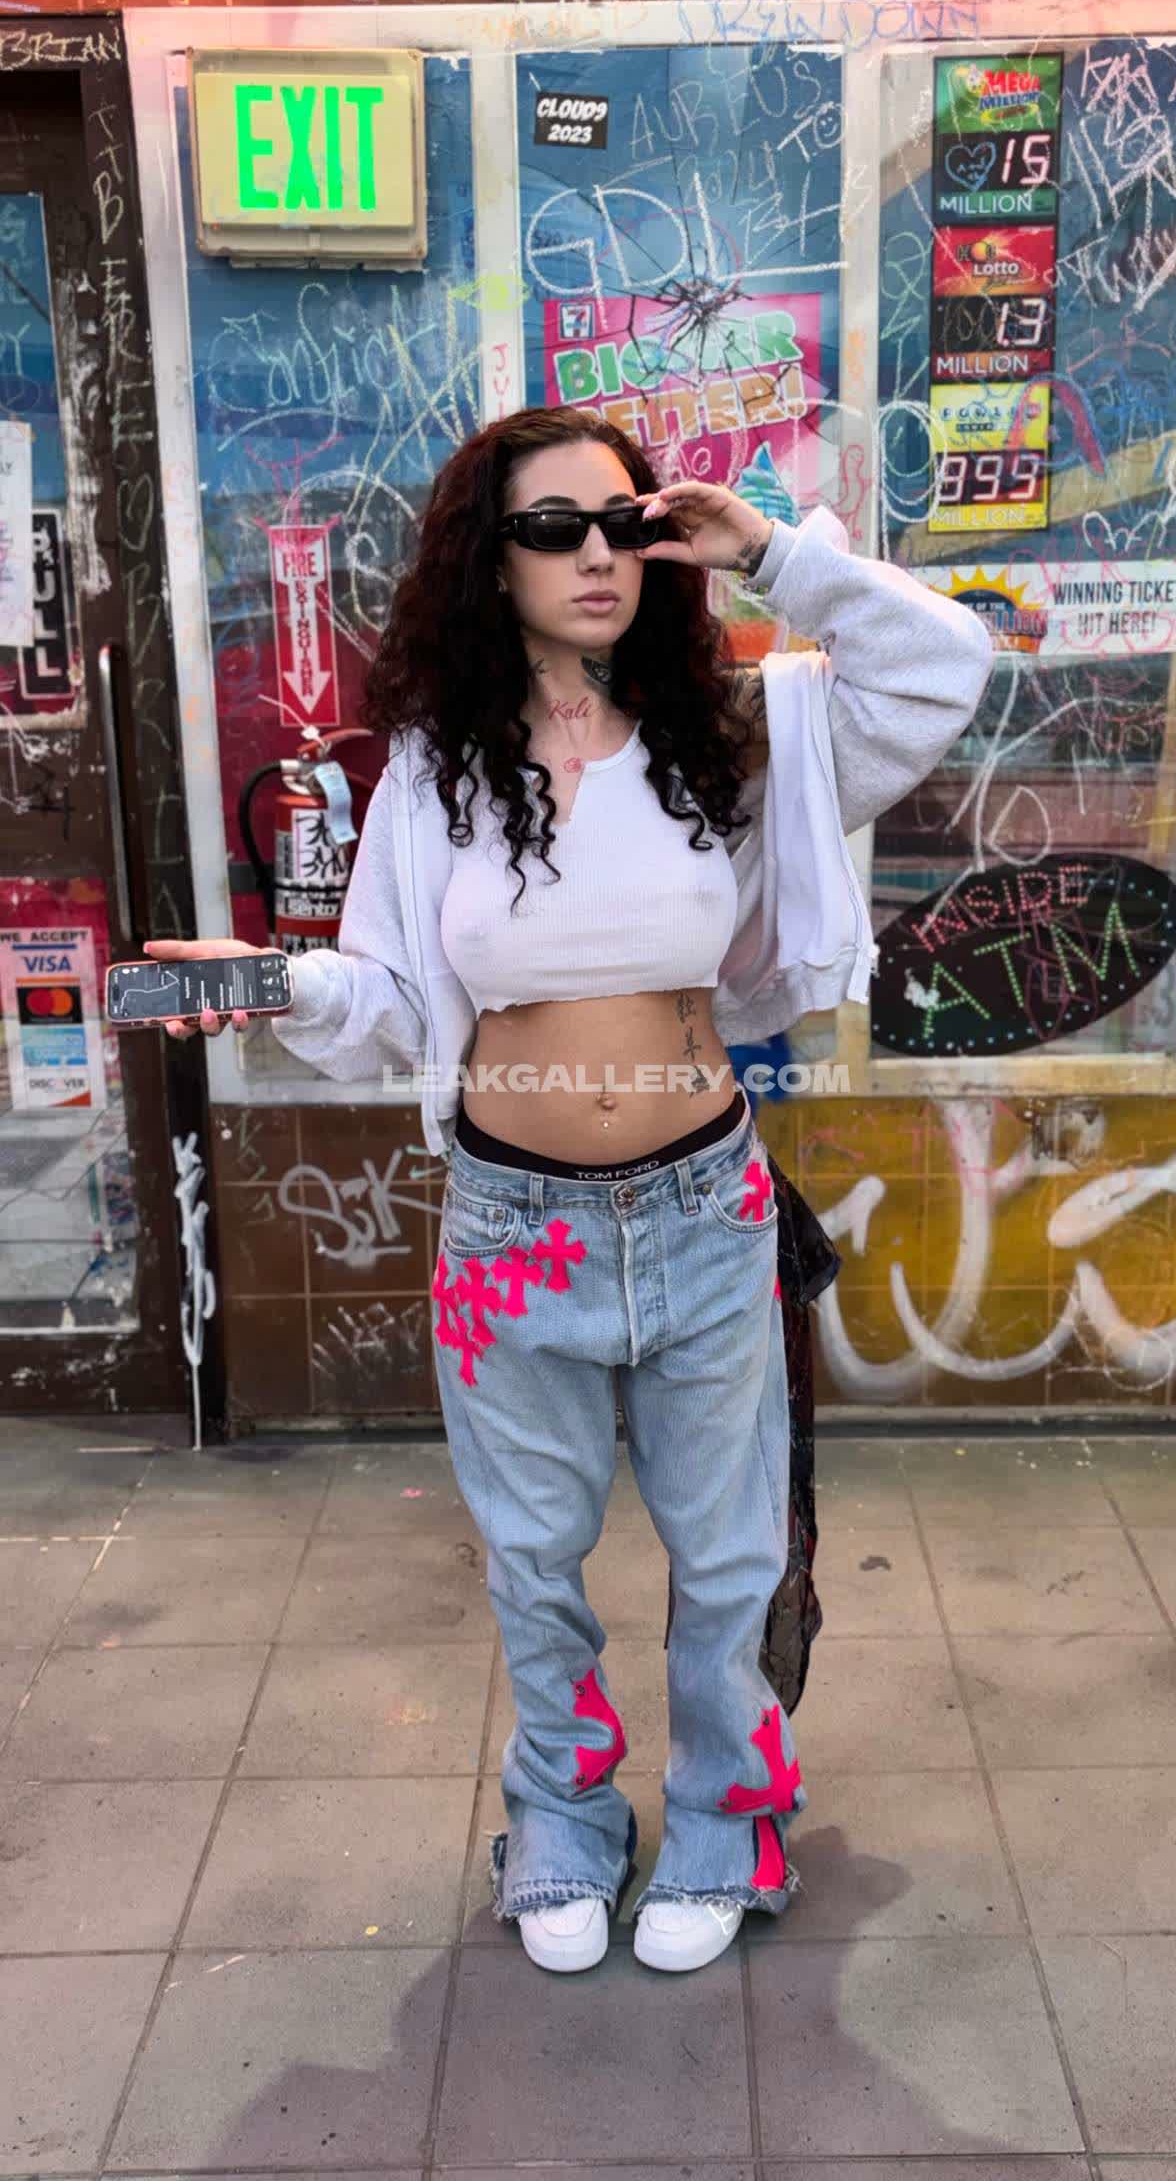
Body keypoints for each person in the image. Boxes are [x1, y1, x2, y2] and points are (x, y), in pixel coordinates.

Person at [150, 403, 993, 1978]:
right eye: (553, 529)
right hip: (507, 1230)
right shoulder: (433, 772)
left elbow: (941, 665)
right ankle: (562, 1821)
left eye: (625, 523)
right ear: (492, 561)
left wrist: (765, 549)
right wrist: (268, 983)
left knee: (727, 1558)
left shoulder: (734, 734)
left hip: (702, 1207)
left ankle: (727, 1821)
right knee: (532, 1561)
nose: (596, 554)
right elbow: (387, 994)